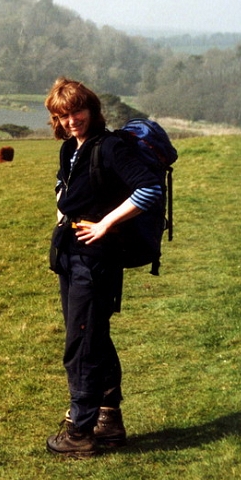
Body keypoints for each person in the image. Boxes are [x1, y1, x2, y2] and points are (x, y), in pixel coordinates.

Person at [44, 77, 162, 458]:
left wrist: (106, 223)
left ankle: (79, 432)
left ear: (92, 111)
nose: (72, 120)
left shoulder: (109, 147)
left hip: (95, 261)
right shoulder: (70, 150)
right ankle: (108, 421)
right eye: (63, 115)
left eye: (77, 111)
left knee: (82, 344)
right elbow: (65, 192)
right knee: (91, 335)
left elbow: (149, 188)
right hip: (71, 255)